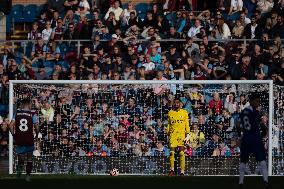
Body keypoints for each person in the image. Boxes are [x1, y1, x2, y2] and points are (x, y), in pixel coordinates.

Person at [238, 93, 268, 188]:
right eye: (256, 101)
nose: (258, 103)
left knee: (243, 160)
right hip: (255, 138)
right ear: (251, 101)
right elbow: (262, 124)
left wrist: (240, 135)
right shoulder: (255, 112)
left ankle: (241, 182)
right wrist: (264, 132)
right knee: (262, 159)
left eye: (259, 101)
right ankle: (265, 181)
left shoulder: (243, 111)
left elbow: (238, 124)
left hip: (246, 138)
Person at [8, 98, 39, 181]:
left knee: (21, 159)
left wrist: (14, 135)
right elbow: (36, 126)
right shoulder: (33, 114)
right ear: (29, 104)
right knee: (29, 158)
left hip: (20, 139)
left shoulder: (17, 113)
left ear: (22, 104)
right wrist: (36, 134)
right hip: (29, 138)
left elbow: (10, 126)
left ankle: (18, 175)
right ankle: (28, 176)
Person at [167, 98, 190, 176]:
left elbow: (187, 124)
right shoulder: (170, 112)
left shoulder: (184, 112)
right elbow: (169, 124)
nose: (177, 104)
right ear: (173, 103)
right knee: (171, 153)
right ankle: (172, 170)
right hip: (173, 135)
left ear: (180, 104)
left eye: (178, 103)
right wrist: (167, 134)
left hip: (181, 135)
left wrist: (188, 134)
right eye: (175, 103)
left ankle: (182, 172)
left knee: (181, 153)